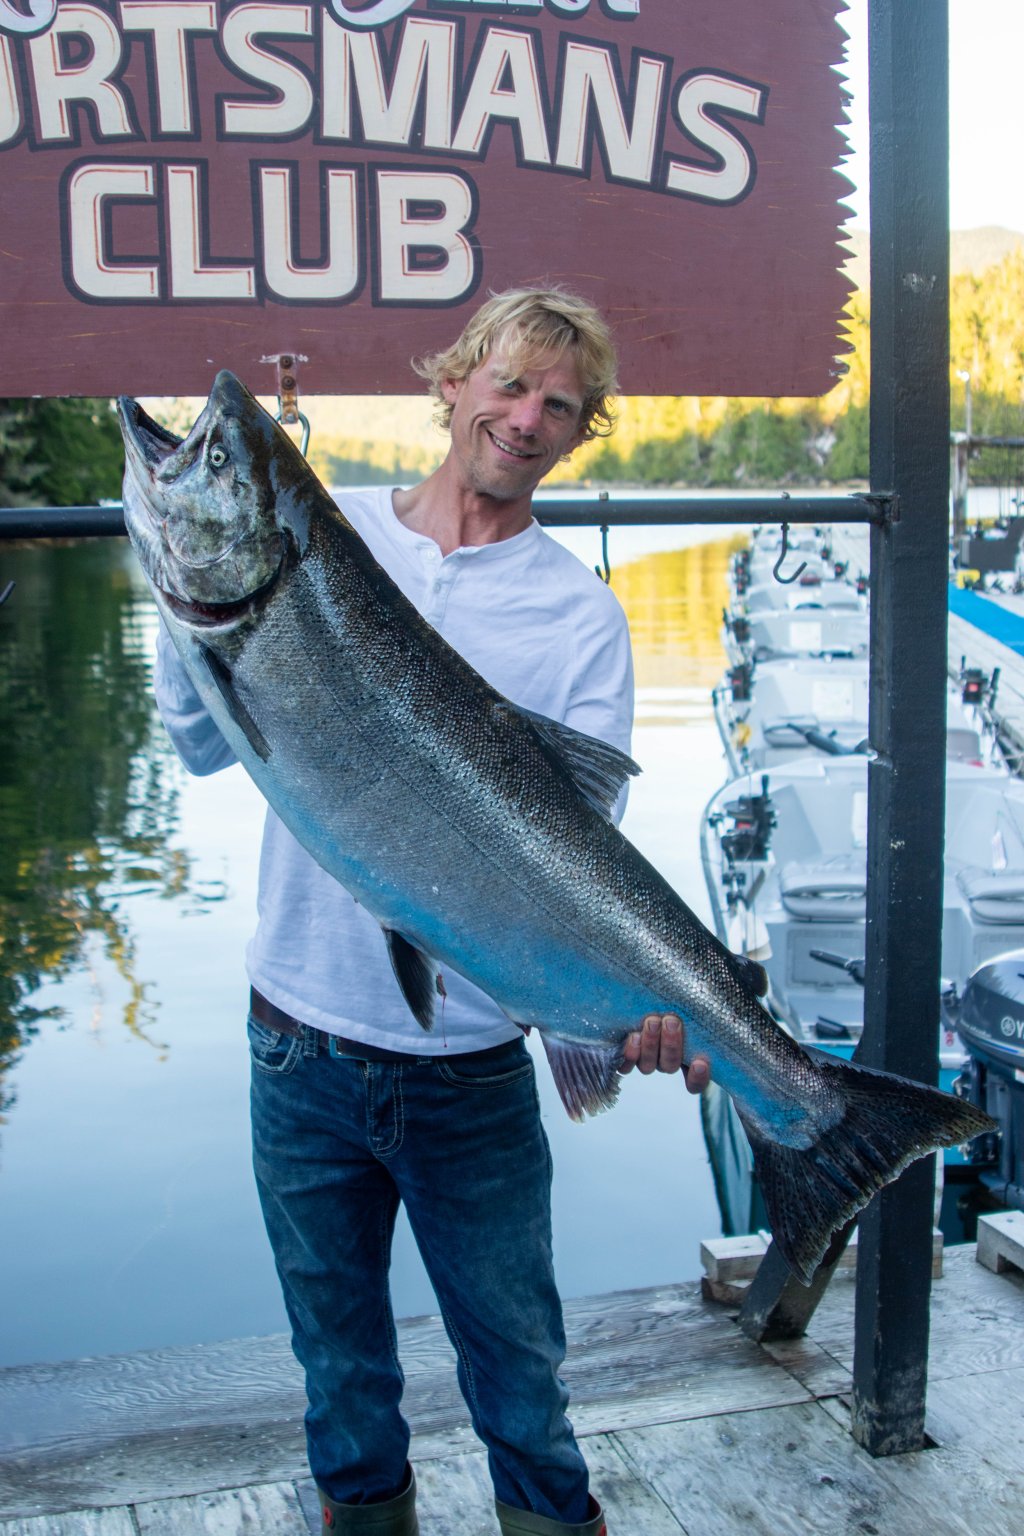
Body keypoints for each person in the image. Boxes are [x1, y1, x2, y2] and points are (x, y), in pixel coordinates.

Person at [154, 287, 711, 1536]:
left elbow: (575, 869)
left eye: (558, 406)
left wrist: (635, 1006)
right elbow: (197, 747)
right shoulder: (328, 533)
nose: (525, 418)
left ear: (580, 434)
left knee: (522, 1385)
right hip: (298, 1039)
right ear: (452, 381)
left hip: (470, 1071)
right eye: (508, 385)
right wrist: (181, 604)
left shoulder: (581, 616)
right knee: (342, 1384)